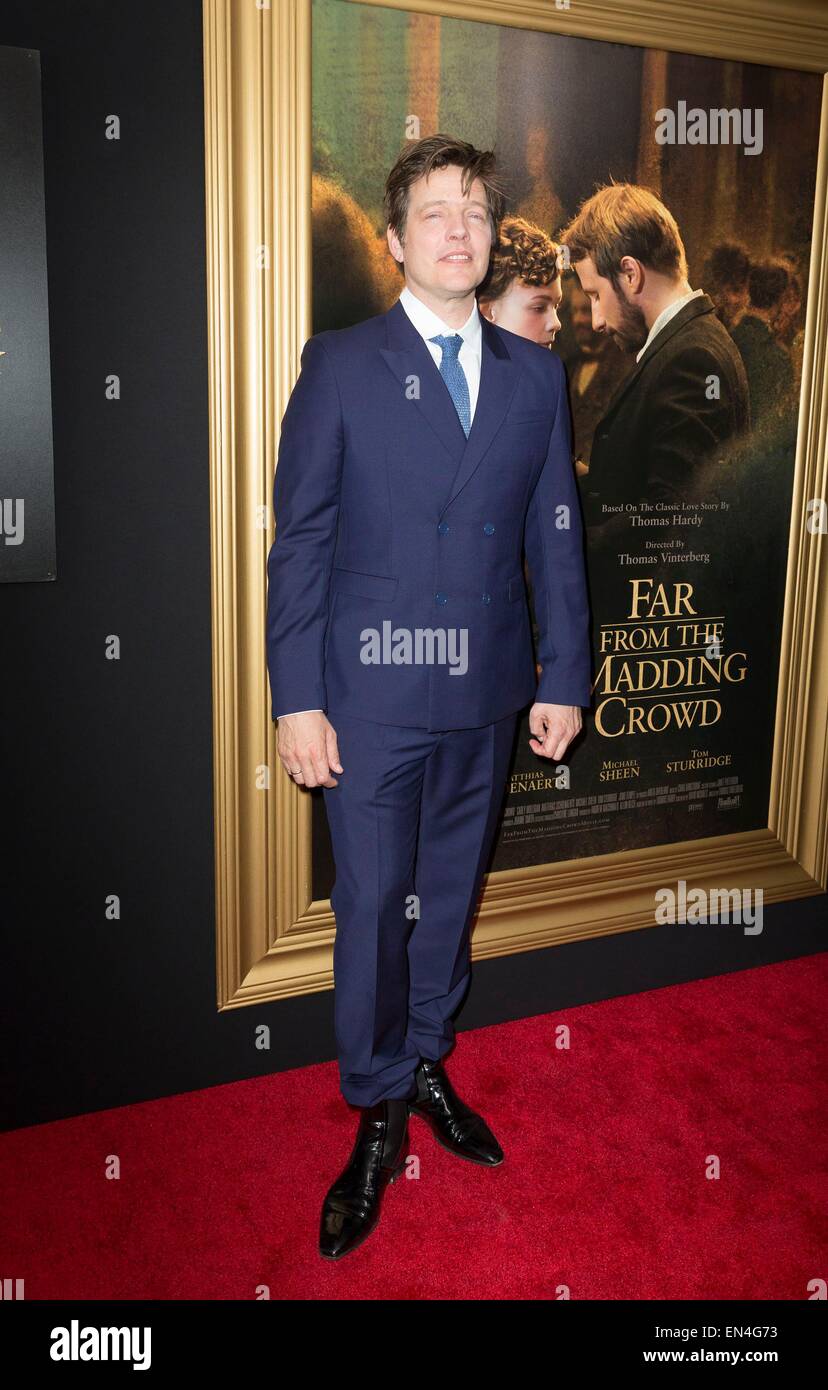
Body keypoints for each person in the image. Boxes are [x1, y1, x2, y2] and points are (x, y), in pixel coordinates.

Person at [266, 134, 592, 1260]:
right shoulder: (341, 364)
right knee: (373, 904)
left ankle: (430, 1060)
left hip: (491, 692)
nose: (459, 228)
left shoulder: (535, 375)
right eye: (434, 212)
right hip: (370, 699)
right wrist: (296, 697)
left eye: (475, 211)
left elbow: (559, 539)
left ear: (491, 236)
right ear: (397, 241)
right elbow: (299, 543)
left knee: (450, 895)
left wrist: (566, 676)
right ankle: (376, 1109)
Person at [558, 183, 750, 544]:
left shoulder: (691, 358)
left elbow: (670, 523)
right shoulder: (682, 346)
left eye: (596, 295)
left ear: (630, 274)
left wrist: (556, 554)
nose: (596, 320)